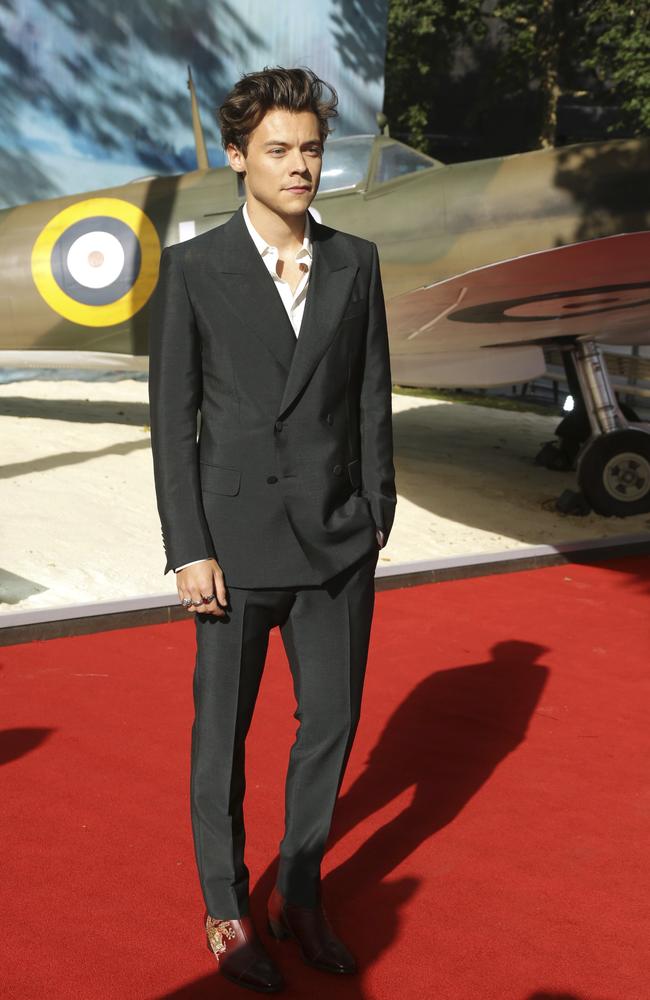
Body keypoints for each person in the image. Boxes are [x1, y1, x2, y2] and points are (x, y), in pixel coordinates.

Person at [148, 66, 396, 994]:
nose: (301, 167)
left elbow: (372, 397)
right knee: (226, 734)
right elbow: (173, 419)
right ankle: (226, 906)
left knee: (330, 724)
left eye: (312, 151)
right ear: (242, 157)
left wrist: (376, 513)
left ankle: (301, 890)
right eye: (281, 151)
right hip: (233, 542)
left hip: (338, 540)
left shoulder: (356, 261)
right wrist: (188, 545)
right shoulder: (197, 267)